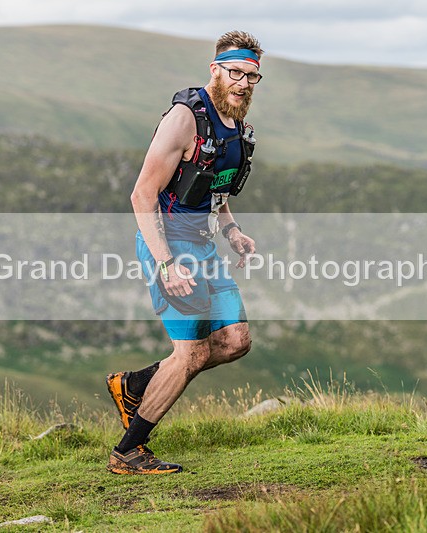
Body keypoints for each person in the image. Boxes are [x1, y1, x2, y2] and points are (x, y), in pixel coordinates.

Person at [105, 30, 264, 474]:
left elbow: (214, 188)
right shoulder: (184, 119)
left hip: (203, 245)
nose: (243, 83)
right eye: (235, 73)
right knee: (190, 353)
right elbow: (142, 195)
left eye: (251, 76)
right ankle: (128, 452)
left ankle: (135, 384)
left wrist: (232, 230)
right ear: (215, 69)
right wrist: (167, 264)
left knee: (235, 340)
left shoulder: (235, 123)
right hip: (169, 246)